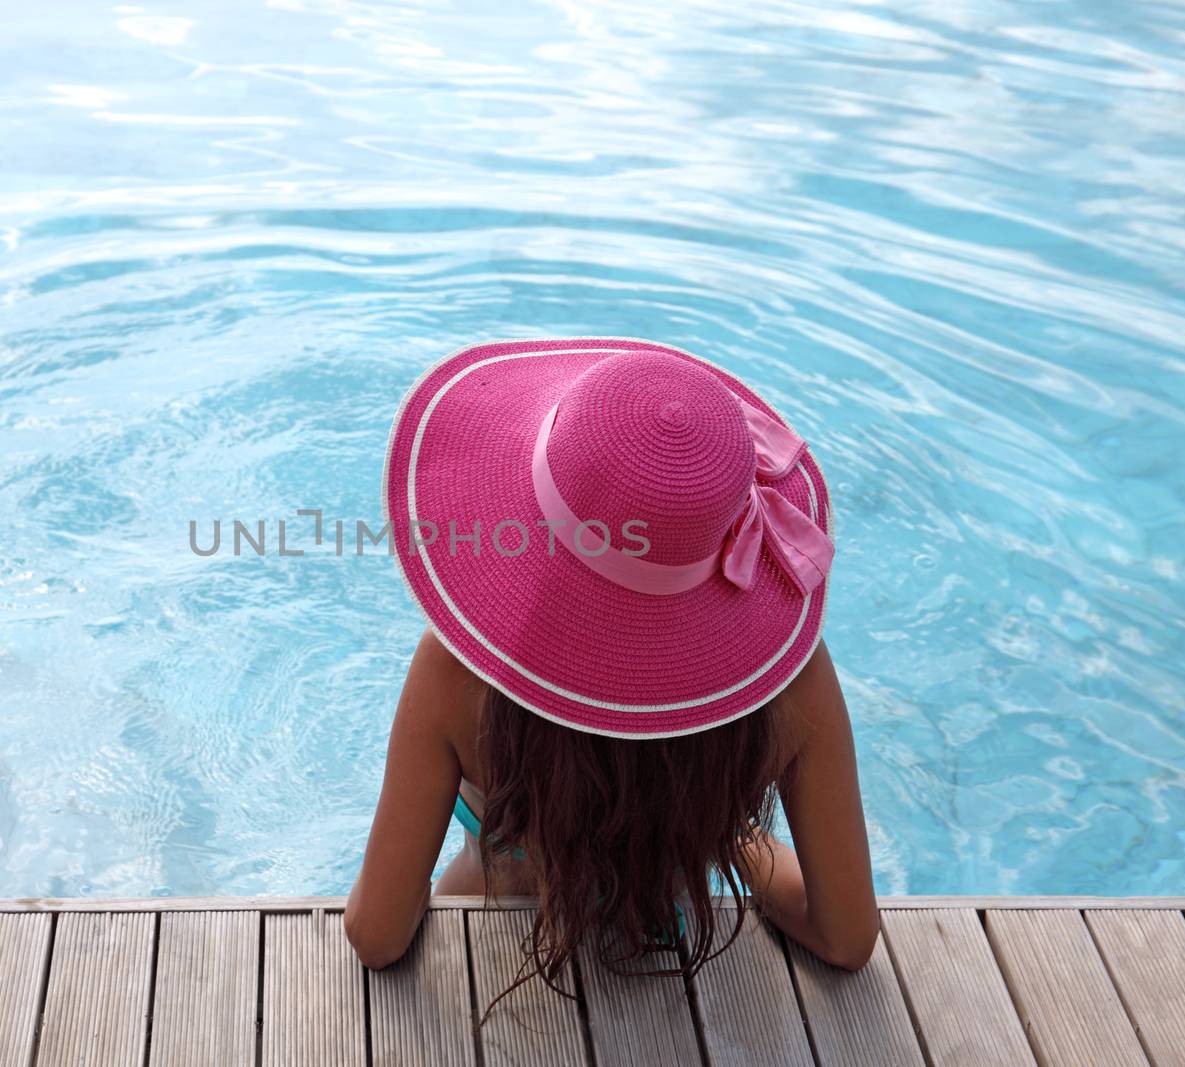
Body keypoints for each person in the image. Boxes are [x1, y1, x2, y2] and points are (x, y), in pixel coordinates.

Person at [344, 337, 878, 997]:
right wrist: (713, 834)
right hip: (682, 969)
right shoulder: (786, 684)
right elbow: (846, 937)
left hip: (491, 943)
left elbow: (378, 933)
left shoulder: (460, 674)